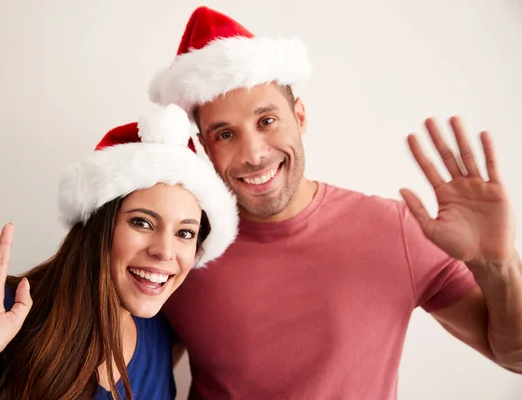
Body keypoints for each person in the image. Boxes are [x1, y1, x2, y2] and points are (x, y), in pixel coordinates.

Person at [147, 6, 522, 399]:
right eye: (225, 134)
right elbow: (140, 377)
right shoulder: (183, 247)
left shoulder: (396, 231)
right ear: (205, 147)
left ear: (300, 115)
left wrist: (496, 265)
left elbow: (513, 356)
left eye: (267, 121)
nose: (253, 154)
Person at [0, 104, 238, 400]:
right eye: (141, 222)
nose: (165, 251)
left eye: (185, 233)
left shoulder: (160, 332)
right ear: (98, 225)